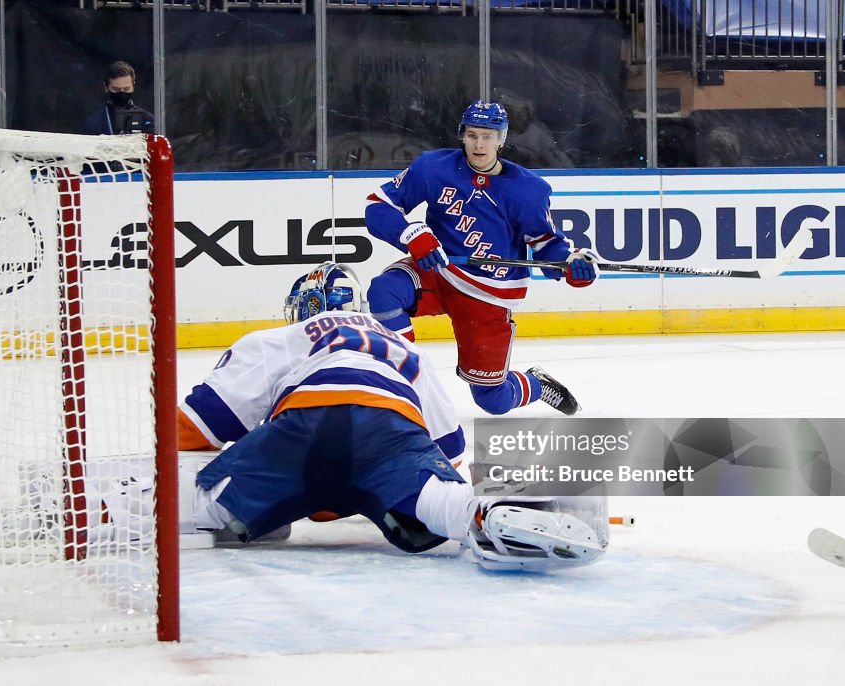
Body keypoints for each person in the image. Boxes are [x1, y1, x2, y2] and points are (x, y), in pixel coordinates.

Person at [173, 262, 607, 571]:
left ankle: (146, 504)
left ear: (308, 305)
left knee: (195, 504)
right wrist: (380, 485)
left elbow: (194, 428)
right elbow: (448, 454)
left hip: (305, 426)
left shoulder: (284, 336)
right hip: (391, 428)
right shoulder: (405, 347)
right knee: (444, 503)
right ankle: (491, 511)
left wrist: (246, 467)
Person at [364, 99, 599, 417]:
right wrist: (411, 235)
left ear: (501, 139)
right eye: (473, 135)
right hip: (438, 271)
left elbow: (546, 246)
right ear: (462, 135)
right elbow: (378, 206)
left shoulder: (527, 190)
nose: (479, 144)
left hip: (488, 293)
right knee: (385, 291)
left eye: (488, 136)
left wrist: (571, 263)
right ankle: (404, 385)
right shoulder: (433, 168)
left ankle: (536, 384)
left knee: (493, 400)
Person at [83, 60, 155, 136]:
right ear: (106, 87)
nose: (122, 93)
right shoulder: (93, 124)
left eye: (126, 89)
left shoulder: (147, 120)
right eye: (116, 89)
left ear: (133, 86)